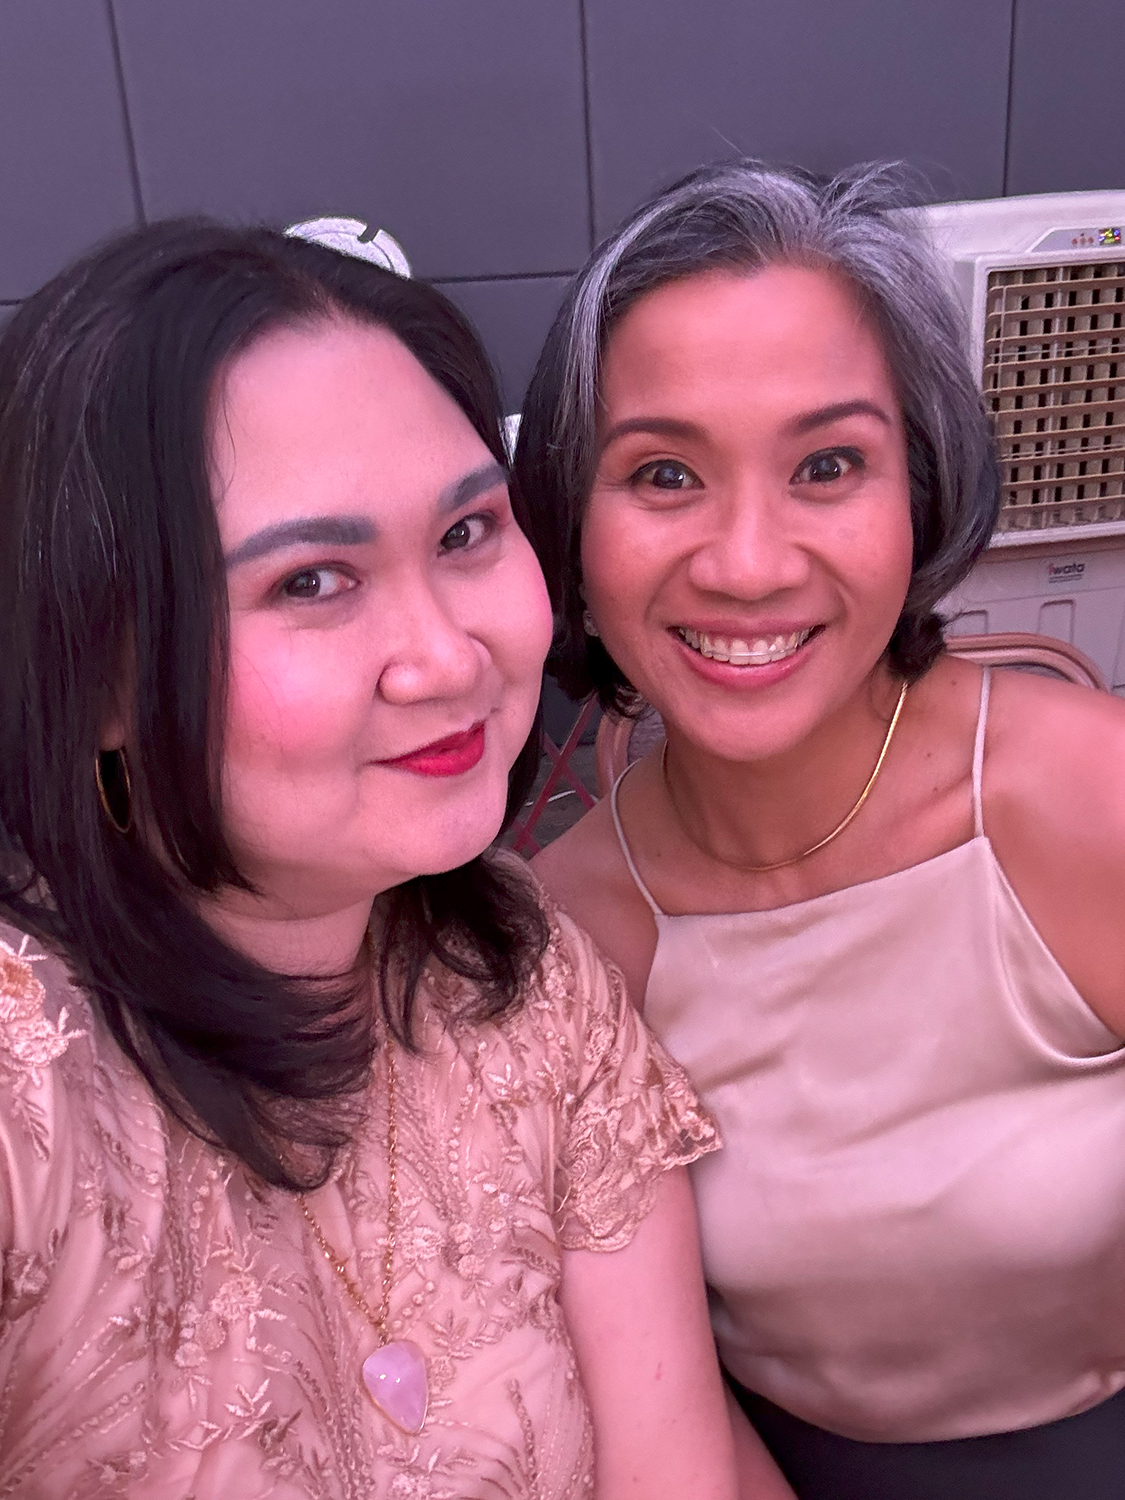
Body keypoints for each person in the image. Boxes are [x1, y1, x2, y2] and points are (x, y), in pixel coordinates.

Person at [0, 221, 788, 1499]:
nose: (447, 657)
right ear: (93, 673)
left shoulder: (530, 989)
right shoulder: (28, 1084)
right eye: (312, 581)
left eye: (468, 532)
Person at [517, 160, 1125, 1499]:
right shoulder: (564, 944)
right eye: (664, 473)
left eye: (828, 465)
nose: (748, 562)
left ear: (921, 489)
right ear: (569, 526)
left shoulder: (1091, 799)